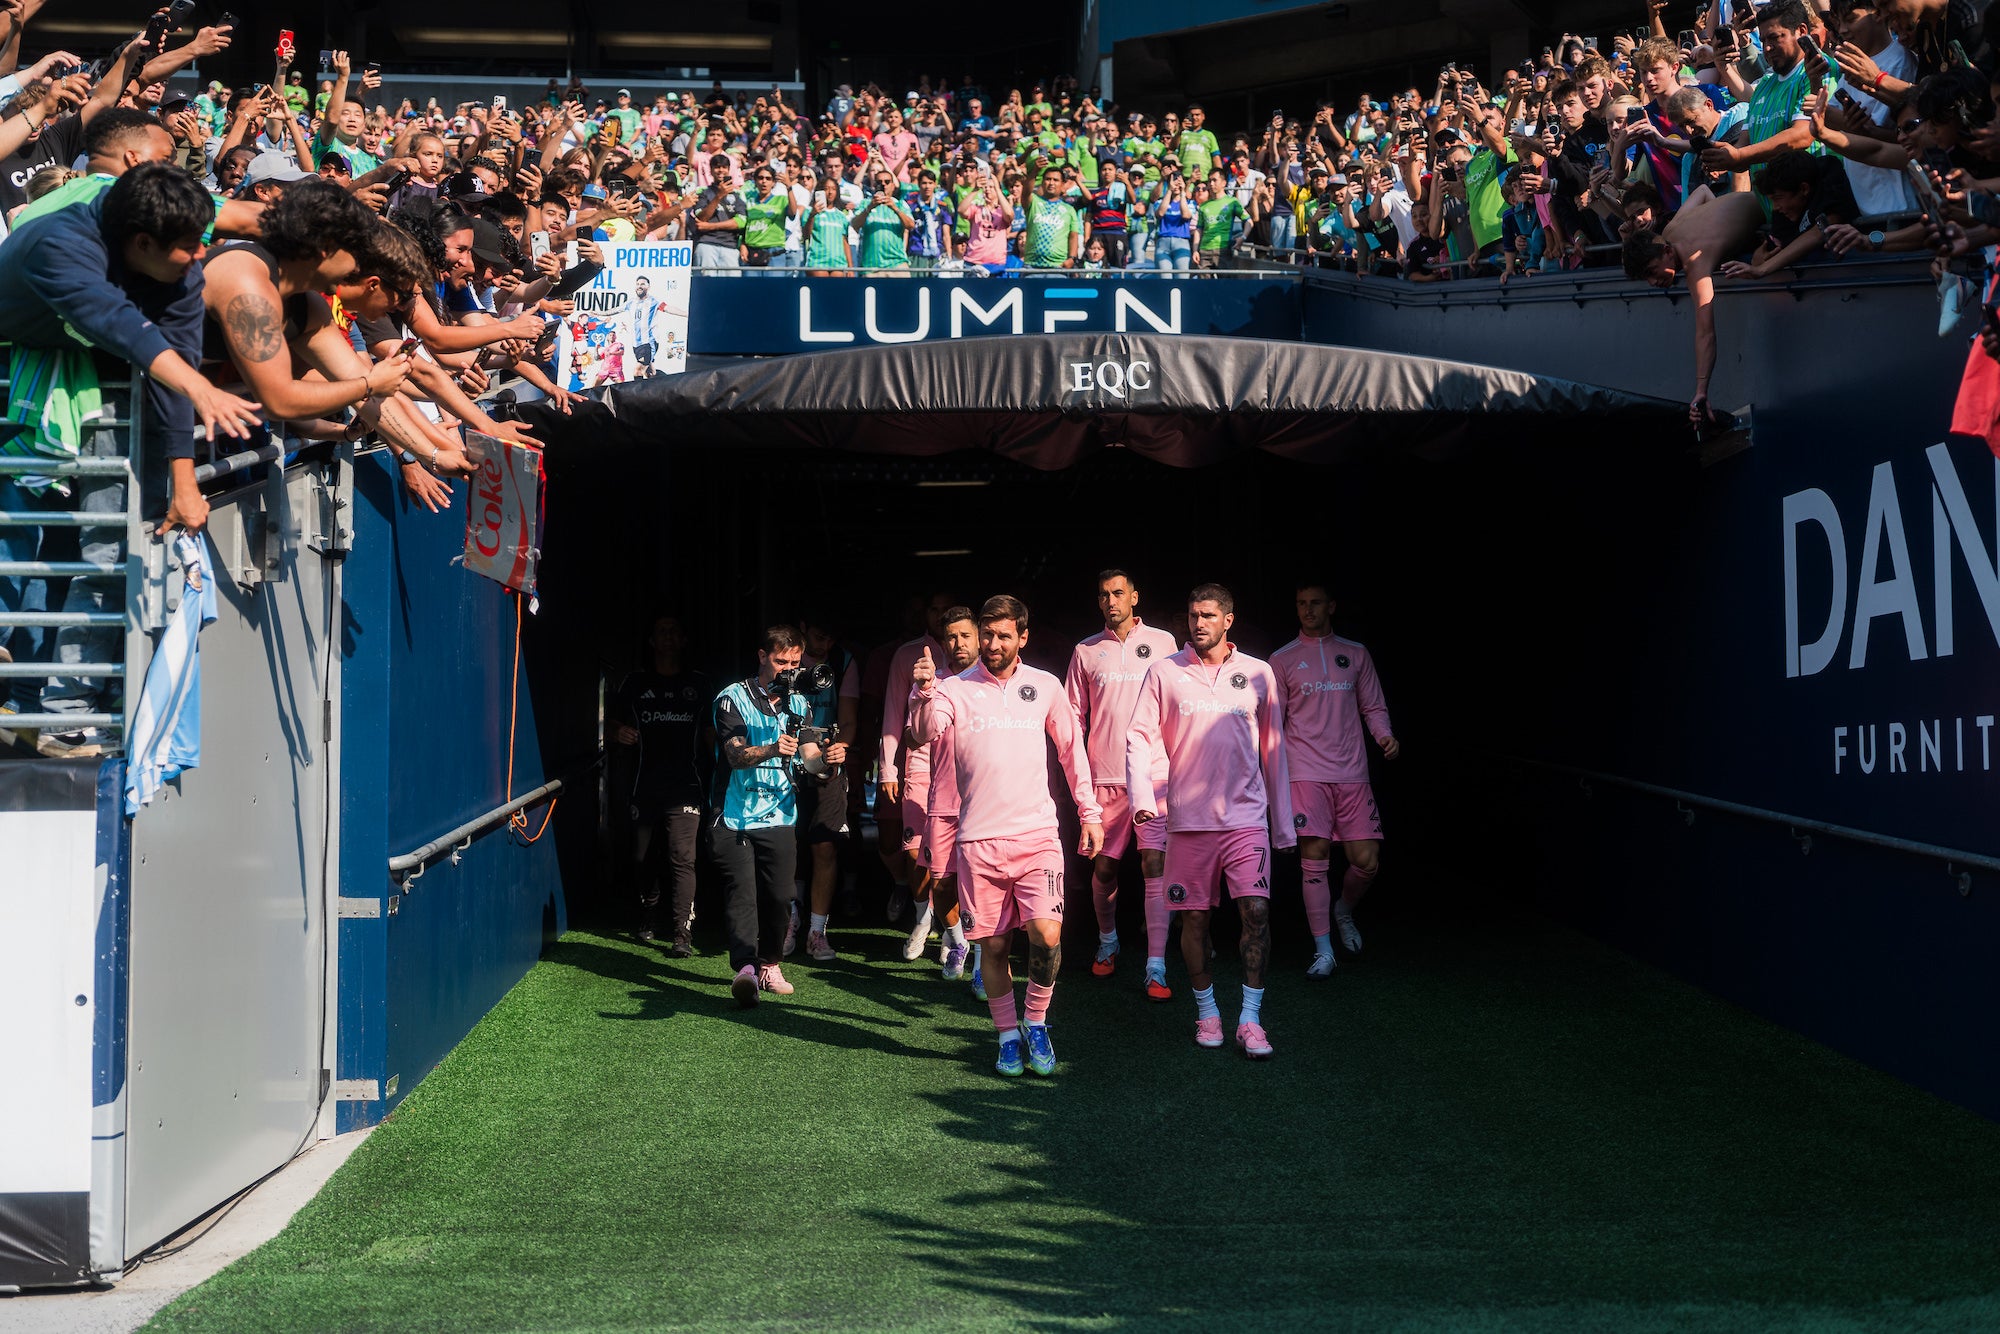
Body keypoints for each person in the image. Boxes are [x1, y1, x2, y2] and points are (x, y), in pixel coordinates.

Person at [909, 595, 1102, 1077]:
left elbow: (1072, 751)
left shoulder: (1046, 685)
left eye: (1003, 635)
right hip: (978, 841)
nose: (993, 644)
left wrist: (1090, 812)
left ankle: (1035, 1022)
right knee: (993, 948)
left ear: (1023, 637)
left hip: (1038, 836)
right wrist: (924, 692)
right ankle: (1007, 1036)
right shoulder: (953, 689)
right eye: (987, 634)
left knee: (1047, 937)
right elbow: (923, 732)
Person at [1125, 583, 1293, 1059]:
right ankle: (1208, 1013)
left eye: (1208, 615)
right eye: (1193, 615)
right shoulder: (1164, 671)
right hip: (1187, 821)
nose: (1198, 623)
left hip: (1246, 819)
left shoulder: (1258, 673)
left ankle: (1251, 1020)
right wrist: (1143, 798)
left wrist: (1282, 824)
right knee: (1193, 919)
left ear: (1228, 620)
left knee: (1256, 913)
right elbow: (1137, 736)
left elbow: (1274, 748)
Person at [712, 625, 847, 1006]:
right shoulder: (731, 697)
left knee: (780, 897)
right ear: (762, 656)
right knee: (743, 893)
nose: (788, 669)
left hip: (780, 815)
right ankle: (746, 969)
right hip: (734, 816)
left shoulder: (800, 703)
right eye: (780, 661)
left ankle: (770, 963)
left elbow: (811, 761)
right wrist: (773, 749)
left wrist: (830, 761)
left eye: (794, 662)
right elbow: (735, 755)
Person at [1269, 582, 1399, 972]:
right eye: (1301, 603)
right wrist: (1274, 778)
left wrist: (1384, 735)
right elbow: (1273, 723)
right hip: (1305, 773)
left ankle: (1343, 910)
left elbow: (1373, 706)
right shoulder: (1282, 658)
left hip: (1352, 772)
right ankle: (1323, 950)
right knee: (1315, 858)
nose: (1307, 610)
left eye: (1315, 603)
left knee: (1367, 861)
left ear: (1332, 606)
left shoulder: (1356, 653)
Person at [1064, 570, 1180, 996]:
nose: (1110, 601)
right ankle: (1108, 941)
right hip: (1105, 779)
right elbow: (1072, 719)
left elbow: (1179, 705)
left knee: (1155, 866)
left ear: (1135, 596)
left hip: (1154, 776)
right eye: (1103, 595)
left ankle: (1156, 964)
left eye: (1118, 593)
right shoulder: (1085, 650)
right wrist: (1079, 773)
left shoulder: (1165, 643)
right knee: (1105, 867)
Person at [1621, 187, 1767, 425]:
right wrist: (1723, 223)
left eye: (1652, 271)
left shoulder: (1695, 264)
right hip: (1756, 197)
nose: (1653, 282)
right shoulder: (1669, 231)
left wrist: (1701, 391)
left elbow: (1705, 334)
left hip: (1769, 207)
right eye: (1646, 278)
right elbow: (1703, 191)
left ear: (1667, 251)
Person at [612, 614, 713, 955]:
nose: (668, 636)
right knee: (642, 857)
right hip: (644, 784)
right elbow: (609, 722)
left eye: (674, 631)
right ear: (652, 641)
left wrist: (724, 757)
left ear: (683, 641)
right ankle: (650, 906)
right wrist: (618, 732)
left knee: (682, 857)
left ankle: (682, 933)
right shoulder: (635, 682)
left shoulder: (699, 684)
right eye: (661, 631)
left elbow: (714, 731)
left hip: (686, 786)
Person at [876, 593, 950, 927]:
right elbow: (893, 712)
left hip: (960, 768)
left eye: (947, 610)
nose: (940, 616)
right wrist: (887, 770)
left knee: (956, 850)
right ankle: (920, 913)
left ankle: (952, 925)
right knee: (913, 848)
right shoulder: (908, 654)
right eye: (934, 609)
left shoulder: (977, 653)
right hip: (918, 762)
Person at [918, 606, 979, 983]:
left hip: (983, 804)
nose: (958, 644)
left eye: (965, 636)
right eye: (951, 637)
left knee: (980, 888)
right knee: (940, 885)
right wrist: (922, 692)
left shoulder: (990, 682)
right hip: (942, 801)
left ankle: (984, 963)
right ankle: (958, 943)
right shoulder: (933, 683)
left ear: (979, 639)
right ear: (942, 643)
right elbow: (916, 735)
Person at [796, 611, 860, 961]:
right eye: (819, 636)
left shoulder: (843, 662)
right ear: (803, 628)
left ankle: (817, 932)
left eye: (831, 639)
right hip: (784, 762)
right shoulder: (786, 656)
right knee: (788, 846)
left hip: (828, 766)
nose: (825, 645)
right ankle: (789, 920)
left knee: (825, 846)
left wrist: (841, 747)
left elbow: (848, 719)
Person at [1021, 167, 1081, 268]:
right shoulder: (1033, 202)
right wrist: (1035, 171)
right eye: (1048, 179)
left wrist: (1072, 258)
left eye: (1056, 180)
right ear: (1042, 182)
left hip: (1058, 266)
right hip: (1031, 266)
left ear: (1062, 184)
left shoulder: (1069, 210)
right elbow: (1026, 193)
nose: (1051, 183)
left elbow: (1073, 236)